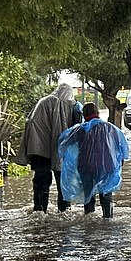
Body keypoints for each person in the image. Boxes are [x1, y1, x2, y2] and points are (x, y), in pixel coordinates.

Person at [16, 83, 83, 213]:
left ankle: (40, 212)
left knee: (42, 182)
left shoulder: (45, 101)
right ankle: (64, 213)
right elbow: (60, 133)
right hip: (47, 148)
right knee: (62, 182)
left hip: (36, 148)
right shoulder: (61, 104)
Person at [58, 102, 129, 218]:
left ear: (84, 115)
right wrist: (119, 164)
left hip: (87, 167)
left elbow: (64, 144)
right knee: (106, 194)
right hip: (107, 167)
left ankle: (89, 222)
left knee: (89, 196)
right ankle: (108, 219)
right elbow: (122, 149)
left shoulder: (80, 130)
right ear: (98, 113)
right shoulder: (111, 128)